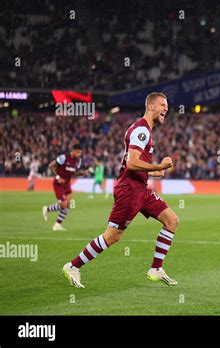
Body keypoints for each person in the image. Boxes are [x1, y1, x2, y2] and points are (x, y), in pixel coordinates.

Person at [62, 92, 179, 288]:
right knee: (113, 236)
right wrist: (159, 166)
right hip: (130, 190)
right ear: (151, 106)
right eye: (162, 105)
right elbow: (132, 163)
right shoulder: (141, 130)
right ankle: (73, 266)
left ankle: (156, 269)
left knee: (171, 220)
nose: (166, 108)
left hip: (141, 188)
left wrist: (150, 173)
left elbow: (131, 162)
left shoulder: (144, 130)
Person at [42, 144, 84, 231]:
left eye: (81, 152)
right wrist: (58, 178)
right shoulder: (63, 158)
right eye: (78, 152)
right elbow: (51, 166)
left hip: (67, 184)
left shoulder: (78, 161)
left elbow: (74, 173)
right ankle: (47, 209)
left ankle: (57, 225)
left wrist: (83, 173)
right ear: (73, 151)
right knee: (64, 204)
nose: (79, 154)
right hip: (58, 184)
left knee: (68, 205)